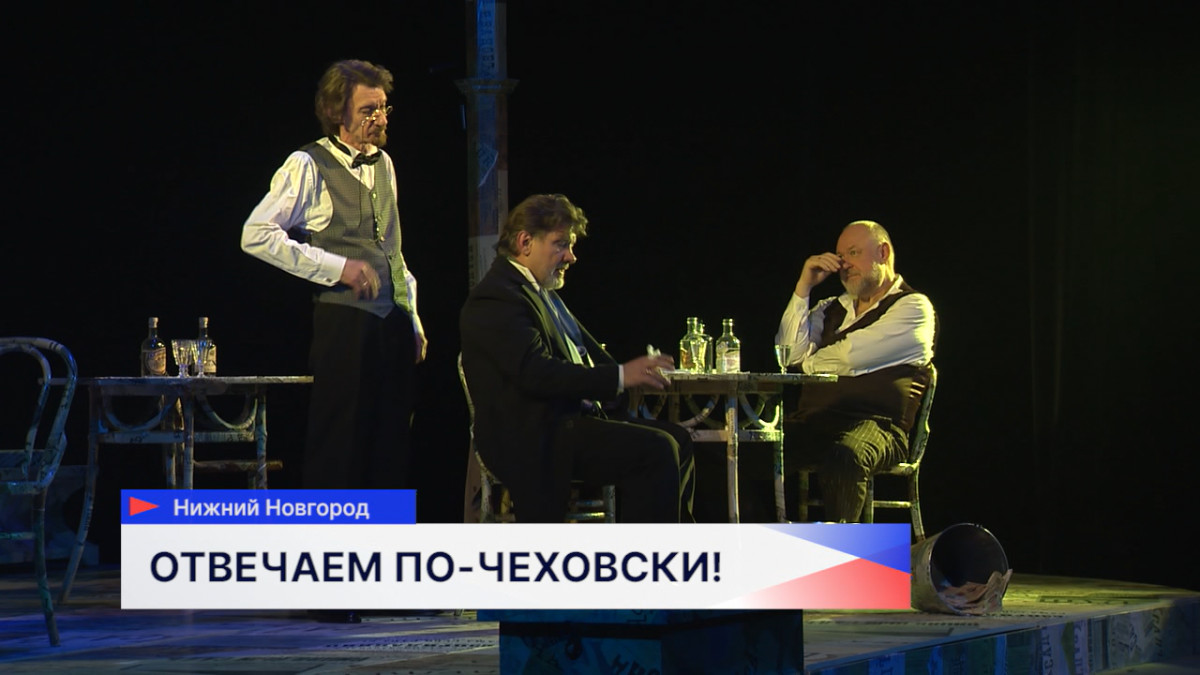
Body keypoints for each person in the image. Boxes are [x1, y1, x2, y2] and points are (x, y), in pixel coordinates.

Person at [241, 59, 426, 493]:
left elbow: (392, 250)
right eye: (368, 111)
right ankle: (332, 532)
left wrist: (411, 316)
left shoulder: (385, 164)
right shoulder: (308, 164)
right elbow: (256, 234)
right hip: (345, 322)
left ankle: (386, 534)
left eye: (383, 109)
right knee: (341, 447)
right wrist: (337, 267)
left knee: (390, 447)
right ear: (336, 112)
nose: (381, 119)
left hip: (392, 323)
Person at [459, 193, 694, 523]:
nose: (571, 257)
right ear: (525, 242)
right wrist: (621, 376)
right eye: (561, 244)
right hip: (534, 434)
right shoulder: (497, 297)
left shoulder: (544, 294)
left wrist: (634, 375)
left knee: (679, 440)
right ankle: (648, 553)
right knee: (656, 450)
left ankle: (676, 545)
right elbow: (536, 371)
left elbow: (592, 356)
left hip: (567, 422)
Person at [773, 220, 937, 523]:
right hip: (817, 421)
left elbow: (851, 356)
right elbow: (789, 355)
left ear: (883, 253)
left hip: (878, 425)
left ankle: (845, 552)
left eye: (853, 252)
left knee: (845, 456)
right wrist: (804, 287)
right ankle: (751, 542)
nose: (844, 264)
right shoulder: (830, 307)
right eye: (840, 256)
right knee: (749, 451)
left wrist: (806, 365)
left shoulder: (913, 307)